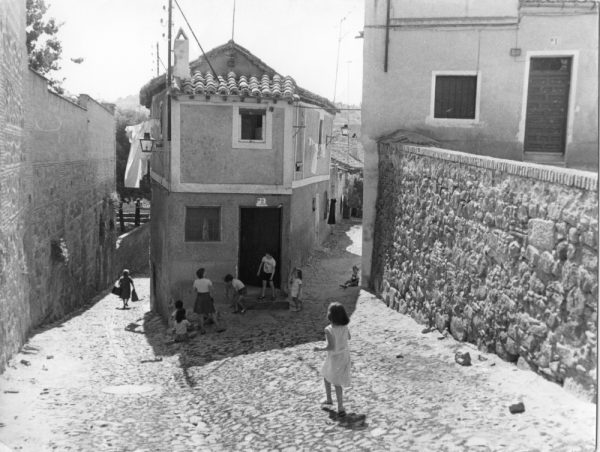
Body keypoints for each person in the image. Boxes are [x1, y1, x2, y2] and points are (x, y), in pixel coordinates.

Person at [313, 302, 351, 417]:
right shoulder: (345, 327)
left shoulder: (328, 329)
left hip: (334, 357)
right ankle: (332, 401)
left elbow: (331, 346)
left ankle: (339, 406)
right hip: (344, 356)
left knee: (334, 380)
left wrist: (319, 348)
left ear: (330, 315)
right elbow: (349, 337)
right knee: (327, 375)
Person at [193, 268, 225, 334]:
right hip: (207, 297)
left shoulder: (195, 281)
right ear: (203, 274)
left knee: (200, 315)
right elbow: (212, 289)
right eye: (205, 272)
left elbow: (195, 290)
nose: (206, 273)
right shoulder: (208, 281)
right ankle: (218, 327)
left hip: (199, 297)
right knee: (212, 312)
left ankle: (202, 329)